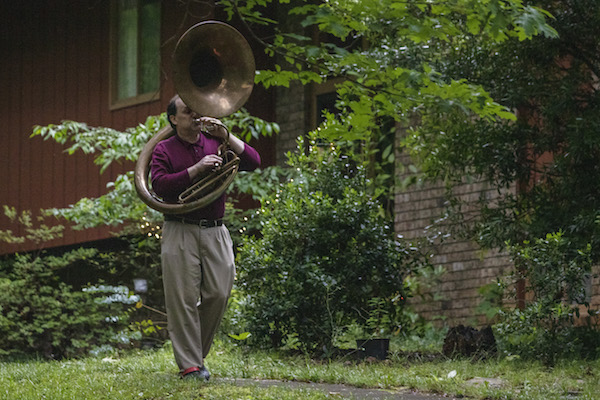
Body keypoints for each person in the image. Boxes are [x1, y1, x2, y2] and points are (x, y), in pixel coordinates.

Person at [151, 94, 261, 380]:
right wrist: (196, 170)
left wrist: (226, 134)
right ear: (174, 119)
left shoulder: (216, 141)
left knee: (219, 292)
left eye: (197, 110)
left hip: (215, 228)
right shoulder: (164, 149)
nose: (196, 115)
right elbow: (160, 186)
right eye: (188, 112)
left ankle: (195, 355)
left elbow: (253, 161)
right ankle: (190, 366)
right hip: (180, 227)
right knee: (183, 299)